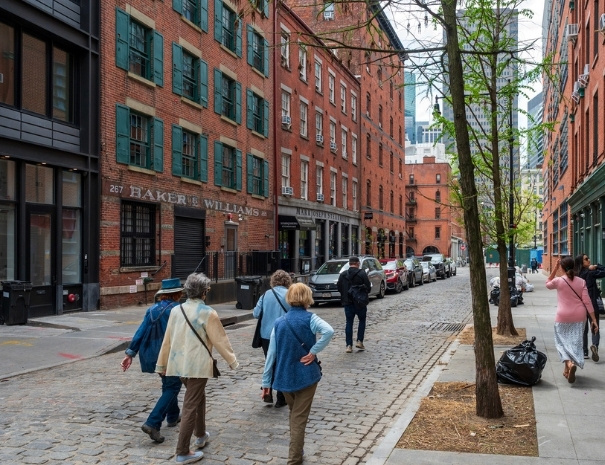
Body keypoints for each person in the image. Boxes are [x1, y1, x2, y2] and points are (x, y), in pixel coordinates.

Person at [156, 273, 239, 464]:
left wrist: (162, 364)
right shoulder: (208, 312)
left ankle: (200, 435)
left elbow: (167, 340)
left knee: (198, 398)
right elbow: (220, 340)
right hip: (198, 366)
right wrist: (232, 361)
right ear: (204, 292)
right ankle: (182, 451)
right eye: (208, 290)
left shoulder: (176, 311)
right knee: (190, 405)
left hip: (179, 365)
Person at [261, 283, 334, 465]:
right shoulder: (311, 318)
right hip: (306, 376)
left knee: (294, 414)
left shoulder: (279, 323)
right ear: (307, 298)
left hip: (284, 376)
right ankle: (294, 459)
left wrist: (266, 383)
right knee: (298, 418)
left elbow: (271, 355)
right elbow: (329, 331)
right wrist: (314, 351)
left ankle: (298, 450)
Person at [121, 278, 184, 444]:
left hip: (152, 354)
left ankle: (173, 416)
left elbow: (141, 331)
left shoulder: (152, 309)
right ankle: (153, 423)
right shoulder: (179, 310)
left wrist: (130, 353)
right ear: (178, 294)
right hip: (170, 353)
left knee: (168, 384)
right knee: (173, 386)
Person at [546, 257, 598, 384]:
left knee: (561, 343)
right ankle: (569, 367)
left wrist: (554, 269)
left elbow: (547, 283)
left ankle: (569, 363)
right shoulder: (581, 282)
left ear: (562, 268)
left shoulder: (558, 281)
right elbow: (587, 301)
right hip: (579, 316)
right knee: (574, 342)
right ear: (574, 267)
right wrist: (594, 319)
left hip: (563, 316)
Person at [253, 269, 292, 408]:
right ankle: (281, 397)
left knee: (270, 362)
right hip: (284, 334)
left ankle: (267, 390)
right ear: (287, 281)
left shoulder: (265, 295)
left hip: (266, 335)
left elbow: (256, 313)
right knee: (282, 364)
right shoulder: (290, 294)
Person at [574, 253, 605, 361]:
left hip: (580, 305)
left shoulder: (575, 275)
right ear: (582, 263)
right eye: (586, 259)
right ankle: (595, 346)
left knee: (584, 329)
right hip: (592, 304)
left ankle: (585, 352)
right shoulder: (591, 273)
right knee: (594, 327)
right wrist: (597, 266)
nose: (589, 260)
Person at [337, 256, 371, 353]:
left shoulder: (343, 274)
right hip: (360, 302)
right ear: (357, 263)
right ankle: (359, 341)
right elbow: (368, 287)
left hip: (348, 302)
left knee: (349, 322)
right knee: (362, 320)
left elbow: (339, 287)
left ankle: (348, 345)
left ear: (349, 263)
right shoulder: (362, 273)